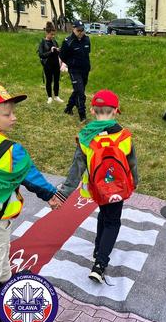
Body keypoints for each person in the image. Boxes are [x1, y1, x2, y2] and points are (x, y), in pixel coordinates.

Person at [0, 84, 62, 322]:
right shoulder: (11, 151)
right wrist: (51, 196)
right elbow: (31, 176)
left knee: (1, 253)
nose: (14, 117)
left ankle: (5, 283)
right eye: (6, 113)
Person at [56, 90, 138, 283]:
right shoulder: (124, 136)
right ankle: (100, 264)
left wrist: (64, 192)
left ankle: (97, 248)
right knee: (113, 221)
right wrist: (134, 182)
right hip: (117, 188)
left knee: (103, 213)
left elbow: (76, 169)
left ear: (92, 110)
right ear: (116, 111)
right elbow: (132, 163)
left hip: (97, 188)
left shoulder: (85, 137)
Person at [60, 20, 91, 123]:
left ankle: (68, 109)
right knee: (80, 93)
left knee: (78, 90)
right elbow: (62, 56)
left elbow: (87, 53)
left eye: (83, 30)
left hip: (85, 69)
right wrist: (71, 63)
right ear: (73, 29)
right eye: (79, 30)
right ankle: (82, 116)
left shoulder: (87, 39)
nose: (81, 32)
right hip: (74, 70)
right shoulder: (68, 41)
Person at [38, 21, 63, 104]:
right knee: (49, 81)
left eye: (54, 34)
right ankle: (49, 97)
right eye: (51, 34)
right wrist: (50, 51)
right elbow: (41, 55)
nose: (53, 36)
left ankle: (56, 96)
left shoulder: (54, 41)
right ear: (47, 33)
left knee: (56, 81)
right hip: (47, 65)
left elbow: (58, 52)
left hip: (56, 64)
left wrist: (58, 50)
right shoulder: (42, 42)